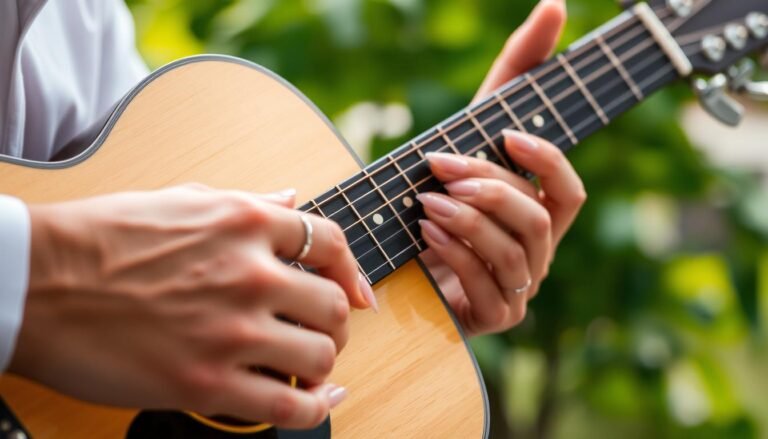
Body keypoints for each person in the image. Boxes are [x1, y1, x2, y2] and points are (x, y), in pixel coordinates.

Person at [0, 0, 585, 430]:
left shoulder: (80, 17)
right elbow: (115, 273)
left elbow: (163, 270)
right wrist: (43, 276)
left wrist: (409, 286)